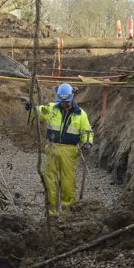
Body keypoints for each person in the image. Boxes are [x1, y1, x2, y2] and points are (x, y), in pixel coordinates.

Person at [27, 82, 95, 216]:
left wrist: (87, 143)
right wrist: (31, 108)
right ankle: (51, 214)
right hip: (52, 149)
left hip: (69, 152)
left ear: (72, 98)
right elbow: (39, 111)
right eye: (62, 101)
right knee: (50, 184)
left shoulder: (80, 114)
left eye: (67, 101)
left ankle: (67, 215)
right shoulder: (52, 108)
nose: (64, 104)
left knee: (68, 184)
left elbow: (87, 131)